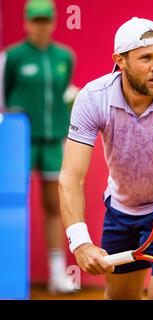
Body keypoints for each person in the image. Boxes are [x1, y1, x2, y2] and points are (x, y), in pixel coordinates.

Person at [59, 17, 153, 300]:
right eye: (146, 58)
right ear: (120, 61)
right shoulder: (93, 98)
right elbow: (70, 177)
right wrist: (80, 242)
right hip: (122, 209)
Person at [0, 0, 75, 294]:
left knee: (53, 204)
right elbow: (5, 97)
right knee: (11, 204)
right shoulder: (13, 57)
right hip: (18, 142)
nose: (40, 27)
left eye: (45, 20)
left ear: (54, 22)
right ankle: (8, 273)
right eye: (35, 21)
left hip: (53, 139)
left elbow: (63, 93)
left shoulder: (64, 57)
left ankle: (58, 275)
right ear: (25, 23)